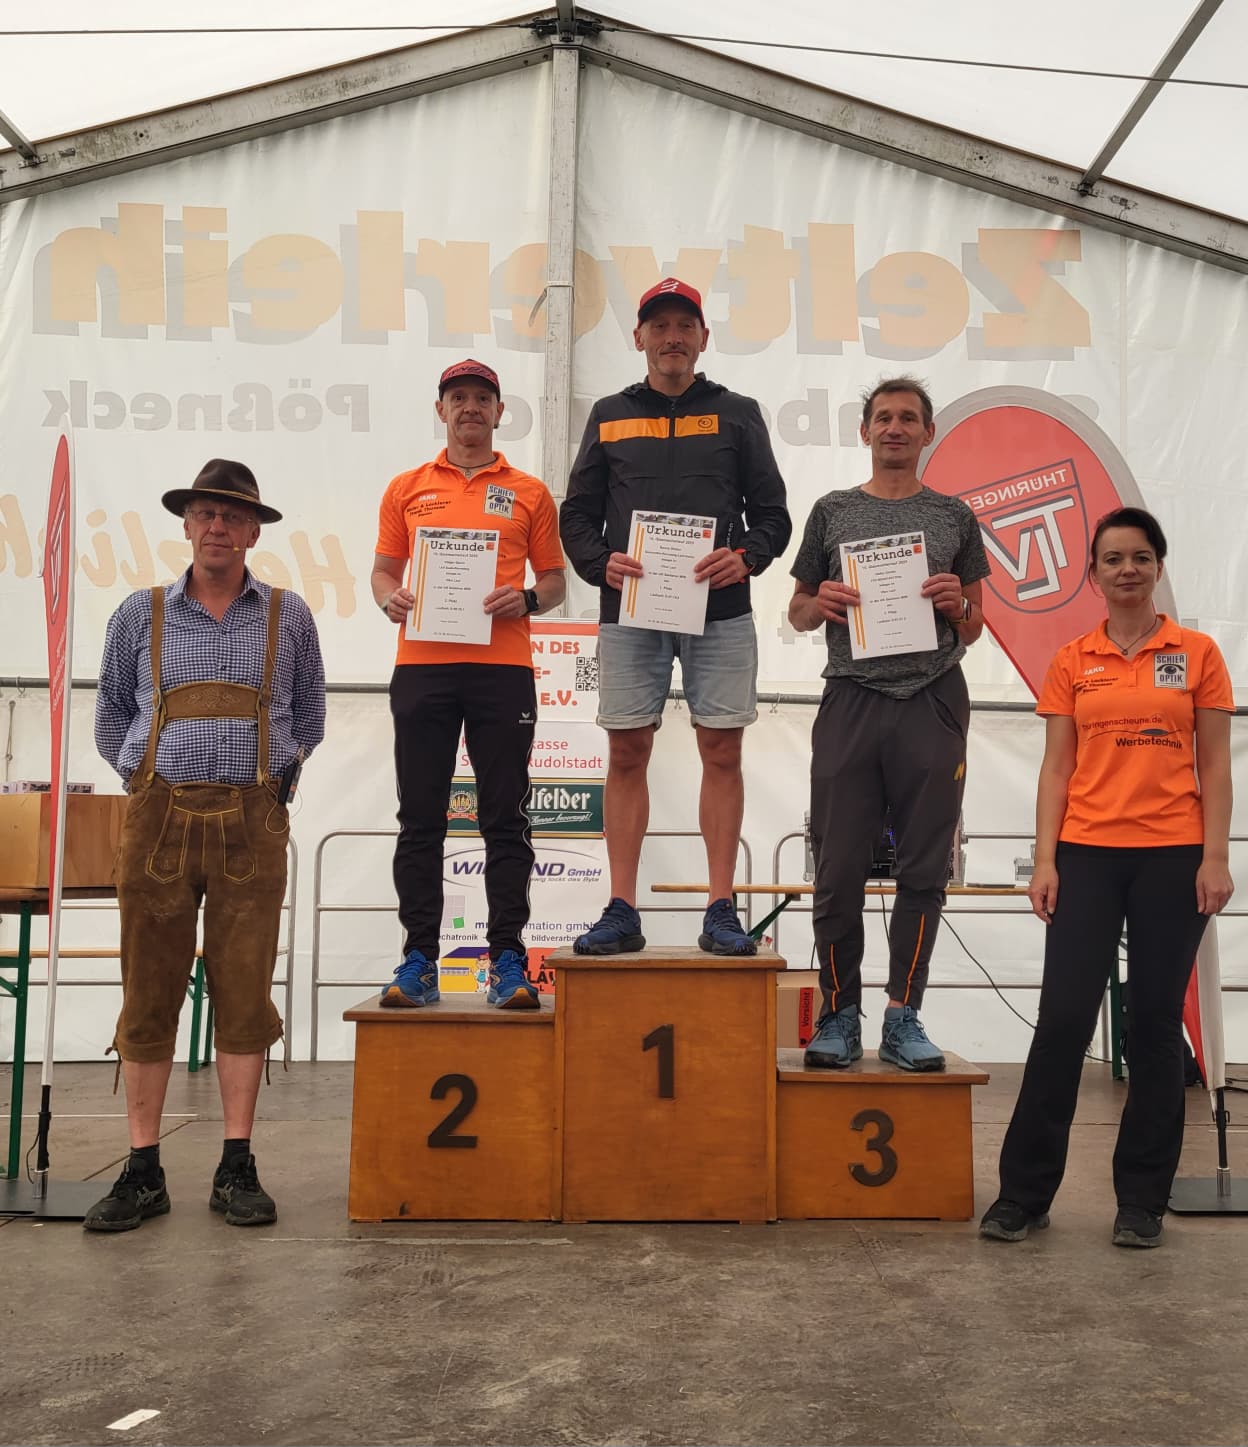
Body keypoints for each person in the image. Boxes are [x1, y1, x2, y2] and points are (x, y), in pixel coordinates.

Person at [981, 508, 1234, 1249]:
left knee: (1154, 1025)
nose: (1128, 569)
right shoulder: (1072, 659)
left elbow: (1215, 765)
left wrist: (1215, 856)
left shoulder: (1197, 653)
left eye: (1141, 557)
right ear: (1092, 574)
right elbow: (1056, 768)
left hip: (1173, 857)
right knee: (1063, 1020)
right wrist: (1047, 858)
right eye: (1113, 559)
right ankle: (1023, 1195)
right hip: (1086, 855)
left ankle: (1141, 1202)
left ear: (1159, 567)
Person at [87, 460, 326, 1232]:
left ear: (253, 531)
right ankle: (142, 1168)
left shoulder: (288, 615)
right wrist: (141, 776)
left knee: (245, 989)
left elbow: (310, 715)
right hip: (155, 822)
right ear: (187, 525)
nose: (217, 526)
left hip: (253, 825)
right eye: (205, 513)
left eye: (232, 515)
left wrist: (276, 779)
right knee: (147, 987)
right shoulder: (140, 612)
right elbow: (111, 713)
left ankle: (236, 1163)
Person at [559, 278, 791, 957]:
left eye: (684, 326)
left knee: (722, 750)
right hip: (630, 609)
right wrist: (599, 562)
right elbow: (577, 513)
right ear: (639, 338)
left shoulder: (738, 413)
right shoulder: (609, 414)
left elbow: (772, 513)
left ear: (703, 338)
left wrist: (745, 556)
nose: (672, 338)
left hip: (721, 609)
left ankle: (721, 907)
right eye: (658, 326)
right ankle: (621, 907)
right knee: (627, 750)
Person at [788, 377, 990, 1071]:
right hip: (851, 695)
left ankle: (904, 1015)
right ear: (865, 430)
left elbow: (976, 624)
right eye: (883, 417)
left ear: (928, 432)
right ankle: (839, 1014)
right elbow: (797, 611)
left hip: (933, 696)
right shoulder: (832, 510)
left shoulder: (954, 515)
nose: (895, 428)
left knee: (924, 868)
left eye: (908, 418)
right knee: (837, 866)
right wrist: (821, 602)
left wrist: (958, 603)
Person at [372, 360, 565, 1011]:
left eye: (483, 398)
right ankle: (418, 959)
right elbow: (382, 571)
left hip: (501, 670)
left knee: (505, 818)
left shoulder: (530, 492)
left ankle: (507, 959)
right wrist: (390, 598)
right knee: (419, 819)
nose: (471, 408)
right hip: (422, 666)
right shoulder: (406, 488)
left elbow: (555, 580)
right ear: (441, 409)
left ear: (500, 411)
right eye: (458, 397)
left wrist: (528, 599)